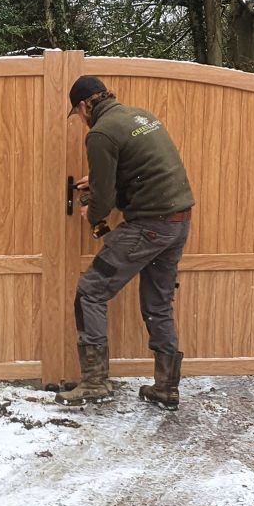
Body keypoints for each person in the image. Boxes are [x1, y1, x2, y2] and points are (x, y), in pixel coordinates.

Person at [55, 76, 195, 411]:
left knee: (91, 291)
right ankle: (166, 388)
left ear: (85, 105)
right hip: (178, 222)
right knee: (158, 303)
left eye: (78, 113)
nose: (81, 120)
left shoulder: (101, 133)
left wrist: (93, 211)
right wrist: (104, 185)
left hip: (148, 226)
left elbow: (103, 201)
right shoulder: (140, 116)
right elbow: (141, 171)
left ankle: (94, 382)